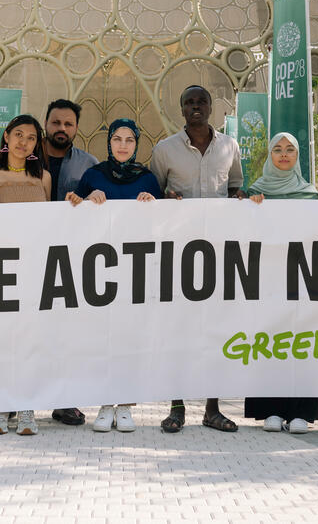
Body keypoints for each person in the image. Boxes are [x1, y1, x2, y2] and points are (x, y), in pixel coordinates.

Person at [149, 85, 244, 434]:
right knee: (179, 330)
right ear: (181, 109)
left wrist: (242, 198)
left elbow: (235, 187)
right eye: (188, 102)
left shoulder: (229, 147)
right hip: (179, 253)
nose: (195, 107)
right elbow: (154, 193)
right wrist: (165, 196)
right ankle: (176, 408)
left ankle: (213, 409)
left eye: (201, 101)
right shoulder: (164, 150)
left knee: (213, 331)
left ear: (211, 107)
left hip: (218, 253)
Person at [67, 118, 160, 433]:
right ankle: (105, 404)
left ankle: (126, 406)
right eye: (117, 139)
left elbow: (162, 227)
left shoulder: (147, 179)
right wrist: (85, 202)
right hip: (100, 270)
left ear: (137, 144)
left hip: (136, 271)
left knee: (130, 337)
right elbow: (72, 213)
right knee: (103, 337)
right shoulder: (93, 175)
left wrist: (153, 205)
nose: (122, 145)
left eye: (129, 140)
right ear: (109, 143)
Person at [244, 132, 318, 434]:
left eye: (290, 149)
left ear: (297, 156)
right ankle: (271, 410)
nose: (284, 154)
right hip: (267, 280)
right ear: (269, 156)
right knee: (269, 339)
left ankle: (301, 412)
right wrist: (250, 206)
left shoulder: (310, 194)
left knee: (302, 341)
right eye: (277, 149)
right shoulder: (257, 192)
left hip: (303, 278)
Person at [0, 114, 51, 435]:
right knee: (0, 339)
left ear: (37, 144)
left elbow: (51, 223)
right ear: (6, 136)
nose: (23, 142)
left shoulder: (44, 179)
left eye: (31, 137)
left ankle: (26, 408)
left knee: (29, 340)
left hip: (33, 269)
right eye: (18, 134)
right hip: (0, 269)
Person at [42, 99, 98, 427]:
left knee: (67, 333)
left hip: (70, 261)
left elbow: (99, 206)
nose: (61, 129)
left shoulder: (89, 165)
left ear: (76, 128)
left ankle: (65, 401)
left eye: (68, 124)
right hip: (26, 257)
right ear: (45, 123)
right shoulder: (24, 158)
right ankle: (9, 398)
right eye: (56, 123)